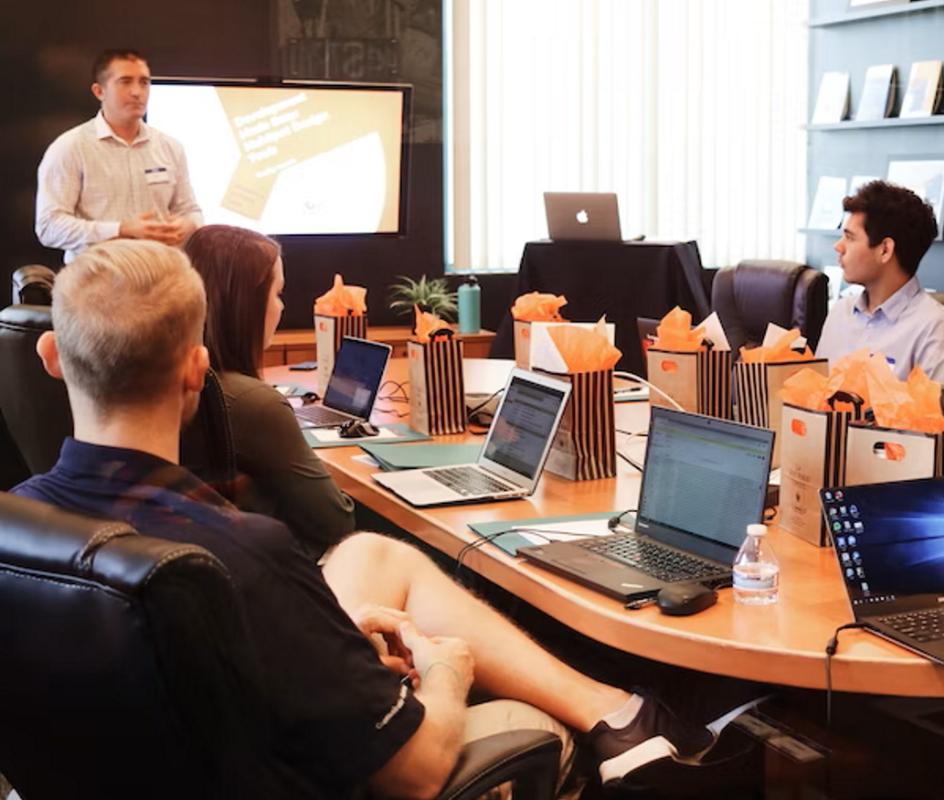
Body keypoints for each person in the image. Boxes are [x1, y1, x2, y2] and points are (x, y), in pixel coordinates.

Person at [13, 239, 713, 798]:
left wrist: (331, 638)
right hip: (314, 775)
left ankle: (617, 708)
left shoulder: (19, 523)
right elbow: (416, 773)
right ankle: (620, 723)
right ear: (196, 369)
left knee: (374, 554)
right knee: (533, 727)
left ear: (50, 357)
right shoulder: (242, 553)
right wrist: (446, 670)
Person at [183, 225, 353, 559]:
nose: (282, 307)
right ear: (245, 304)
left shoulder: (170, 382)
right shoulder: (254, 403)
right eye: (277, 293)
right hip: (273, 569)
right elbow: (336, 522)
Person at [35, 48, 201, 263]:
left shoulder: (170, 147)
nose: (137, 92)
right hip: (98, 275)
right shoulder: (70, 148)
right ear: (99, 91)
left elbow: (191, 211)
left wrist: (187, 224)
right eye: (125, 82)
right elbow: (49, 227)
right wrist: (120, 229)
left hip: (161, 273)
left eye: (144, 82)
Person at [815, 180, 944, 394]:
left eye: (850, 238)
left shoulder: (936, 328)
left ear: (885, 250)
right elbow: (813, 398)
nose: (838, 246)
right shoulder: (840, 313)